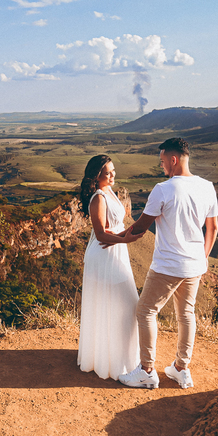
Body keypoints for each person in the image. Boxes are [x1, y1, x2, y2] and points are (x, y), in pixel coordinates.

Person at [119, 138, 218, 390]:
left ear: (173, 159)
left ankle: (147, 370)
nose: (161, 166)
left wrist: (113, 240)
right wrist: (202, 257)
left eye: (163, 161)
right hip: (195, 264)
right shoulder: (207, 187)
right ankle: (181, 369)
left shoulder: (163, 189)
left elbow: (141, 226)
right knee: (186, 314)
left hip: (168, 266)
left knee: (146, 311)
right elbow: (213, 227)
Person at [76, 154, 141, 381]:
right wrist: (126, 239)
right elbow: (101, 234)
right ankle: (108, 360)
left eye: (113, 170)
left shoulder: (111, 192)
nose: (112, 175)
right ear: (97, 176)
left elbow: (113, 227)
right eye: (107, 172)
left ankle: (120, 356)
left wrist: (128, 232)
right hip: (104, 256)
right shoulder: (98, 198)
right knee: (123, 303)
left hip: (116, 251)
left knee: (120, 305)